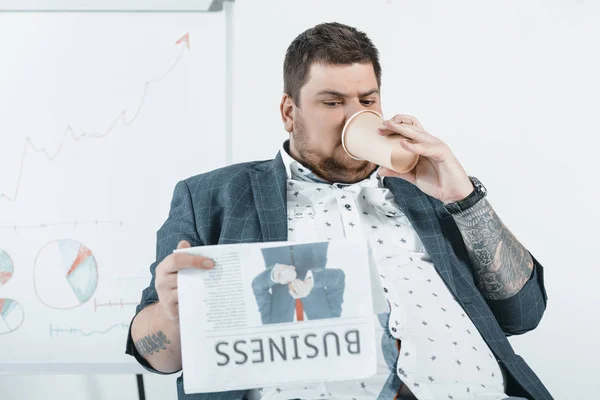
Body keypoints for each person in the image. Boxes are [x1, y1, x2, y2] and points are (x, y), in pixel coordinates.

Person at [125, 22, 552, 400]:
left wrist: (464, 197)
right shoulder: (214, 196)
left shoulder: (428, 191)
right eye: (333, 103)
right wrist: (173, 314)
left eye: (367, 101)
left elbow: (523, 314)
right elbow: (157, 358)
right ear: (289, 112)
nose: (356, 116)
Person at [252, 242, 346, 323]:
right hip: (312, 243)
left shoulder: (272, 327)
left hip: (274, 247)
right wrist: (312, 280)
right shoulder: (329, 321)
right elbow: (338, 279)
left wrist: (275, 275)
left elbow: (258, 286)